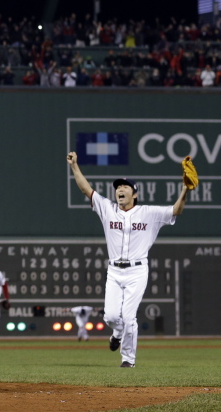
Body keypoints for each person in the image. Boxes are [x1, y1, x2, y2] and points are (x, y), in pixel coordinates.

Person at [66, 151, 188, 368]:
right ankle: (117, 333)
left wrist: (185, 188)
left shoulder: (149, 213)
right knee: (111, 316)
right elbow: (86, 188)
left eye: (125, 187)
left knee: (129, 316)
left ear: (135, 194)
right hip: (114, 271)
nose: (120, 190)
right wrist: (74, 166)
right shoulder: (107, 209)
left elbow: (176, 210)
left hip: (137, 271)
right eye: (118, 187)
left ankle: (128, 359)